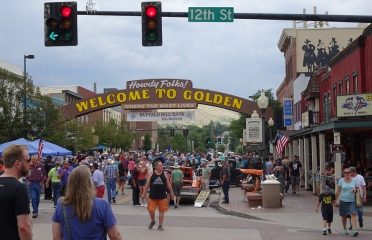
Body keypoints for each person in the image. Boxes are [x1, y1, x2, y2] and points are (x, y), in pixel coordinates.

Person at [52, 165, 123, 240]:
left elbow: (56, 237)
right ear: (89, 182)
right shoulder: (103, 205)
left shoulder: (62, 205)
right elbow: (114, 236)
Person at [0, 144, 33, 240]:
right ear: (18, 164)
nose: (30, 163)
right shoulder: (19, 188)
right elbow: (23, 227)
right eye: (28, 160)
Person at [142, 160, 174, 231]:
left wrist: (172, 193)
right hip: (153, 196)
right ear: (155, 166)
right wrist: (144, 193)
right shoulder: (151, 174)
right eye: (160, 165)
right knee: (151, 210)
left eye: (162, 165)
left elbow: (168, 184)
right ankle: (153, 221)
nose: (161, 167)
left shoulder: (165, 174)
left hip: (162, 196)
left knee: (161, 211)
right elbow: (147, 185)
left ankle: (160, 225)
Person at [335, 167, 359, 236]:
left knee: (353, 214)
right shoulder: (341, 180)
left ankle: (354, 230)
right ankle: (345, 228)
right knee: (344, 216)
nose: (347, 174)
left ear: (350, 173)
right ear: (344, 174)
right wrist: (335, 201)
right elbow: (338, 191)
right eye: (346, 173)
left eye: (348, 172)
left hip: (352, 201)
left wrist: (355, 190)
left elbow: (358, 190)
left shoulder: (355, 180)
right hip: (343, 201)